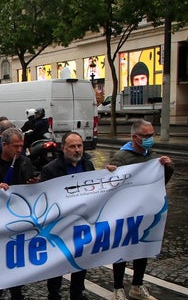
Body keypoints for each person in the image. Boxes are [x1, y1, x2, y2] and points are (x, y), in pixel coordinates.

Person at [107, 119, 174, 300]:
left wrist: (168, 167)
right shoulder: (121, 158)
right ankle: (118, 288)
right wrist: (111, 173)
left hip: (145, 212)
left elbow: (160, 184)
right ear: (134, 137)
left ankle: (137, 285)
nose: (149, 138)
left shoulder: (153, 156)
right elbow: (111, 188)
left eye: (152, 135)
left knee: (142, 249)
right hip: (125, 213)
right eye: (145, 136)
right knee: (122, 250)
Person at [0, 128, 38, 300]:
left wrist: (34, 183)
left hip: (19, 223)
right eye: (15, 146)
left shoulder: (25, 163)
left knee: (17, 267)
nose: (19, 150)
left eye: (21, 146)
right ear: (4, 145)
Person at [41, 132, 95, 300]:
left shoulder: (88, 165)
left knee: (81, 259)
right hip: (60, 225)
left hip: (81, 224)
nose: (77, 150)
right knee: (57, 261)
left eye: (79, 146)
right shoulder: (50, 170)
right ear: (63, 148)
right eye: (72, 146)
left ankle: (77, 293)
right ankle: (54, 293)